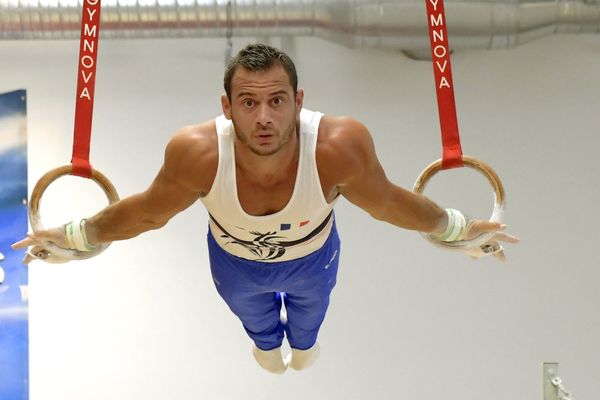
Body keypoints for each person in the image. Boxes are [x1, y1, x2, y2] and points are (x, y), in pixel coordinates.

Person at [12, 43, 519, 374]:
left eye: (277, 101)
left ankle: (301, 345)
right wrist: (77, 234)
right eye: (248, 103)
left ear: (299, 101)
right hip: (234, 263)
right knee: (256, 326)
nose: (264, 118)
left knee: (308, 327)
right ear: (226, 107)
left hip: (312, 259)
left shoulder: (336, 146)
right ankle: (265, 343)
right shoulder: (199, 152)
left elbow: (388, 204)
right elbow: (147, 213)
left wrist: (457, 227)